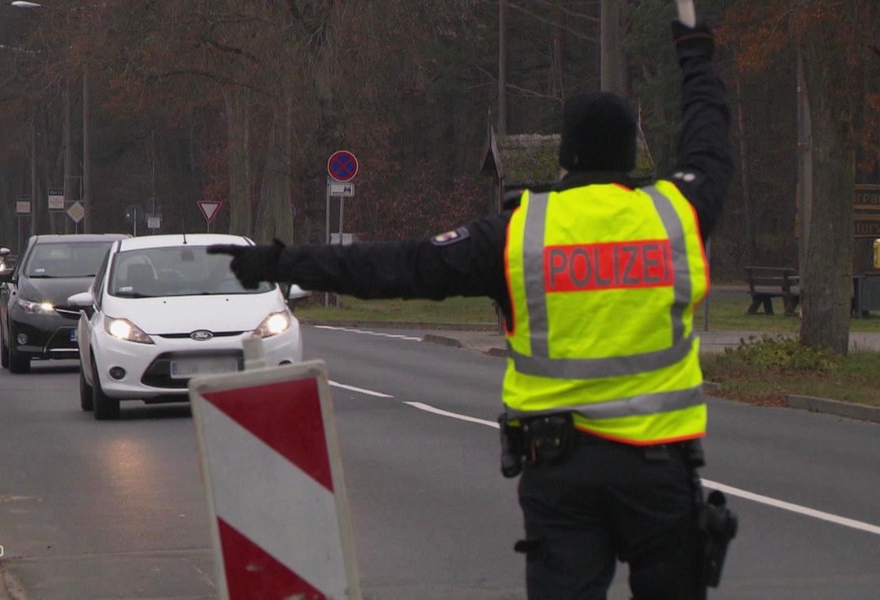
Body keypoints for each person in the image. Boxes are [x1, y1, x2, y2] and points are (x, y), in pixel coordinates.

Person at [209, 18, 733, 600]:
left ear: (565, 155)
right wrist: (695, 61)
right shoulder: (675, 217)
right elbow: (708, 143)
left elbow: (398, 268)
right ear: (632, 155)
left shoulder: (518, 234)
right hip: (659, 474)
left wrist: (284, 262)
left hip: (560, 471)